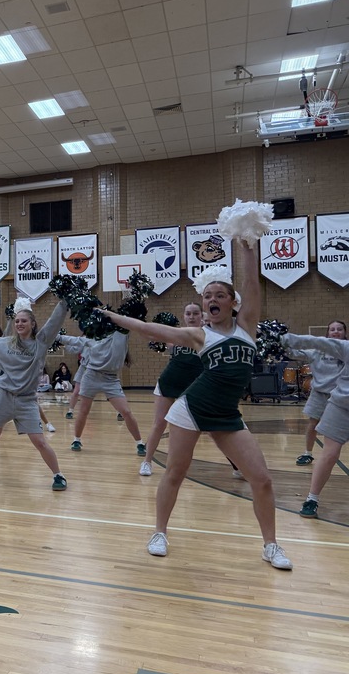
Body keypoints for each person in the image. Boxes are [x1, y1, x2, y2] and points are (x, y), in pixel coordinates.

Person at [102, 239, 292, 570]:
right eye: (208, 296)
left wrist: (247, 246)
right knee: (176, 471)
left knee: (261, 479)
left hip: (227, 414)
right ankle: (159, 532)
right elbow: (150, 329)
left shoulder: (247, 327)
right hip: (190, 410)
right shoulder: (199, 335)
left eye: (220, 295)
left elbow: (251, 282)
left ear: (233, 302)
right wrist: (112, 316)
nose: (212, 300)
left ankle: (271, 545)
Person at [0, 297, 69, 488]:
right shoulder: (5, 343)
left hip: (27, 400)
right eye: (17, 321)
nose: (19, 324)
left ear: (32, 323)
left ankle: (58, 475)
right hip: (2, 396)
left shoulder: (41, 342)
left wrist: (64, 301)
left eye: (24, 320)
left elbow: (55, 321)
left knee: (39, 440)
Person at [283, 325, 349, 518]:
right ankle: (312, 498)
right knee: (330, 454)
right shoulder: (344, 347)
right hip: (340, 405)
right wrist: (282, 339)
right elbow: (314, 342)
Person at [139, 303, 205, 476]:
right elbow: (150, 335)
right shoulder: (176, 334)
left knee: (213, 427)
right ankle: (147, 461)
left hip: (195, 386)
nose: (192, 317)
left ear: (202, 316)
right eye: (188, 313)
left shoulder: (209, 335)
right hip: (169, 382)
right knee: (159, 424)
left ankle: (237, 466)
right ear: (184, 316)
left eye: (195, 313)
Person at [64, 328, 145, 456]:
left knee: (126, 412)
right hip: (91, 376)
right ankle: (76, 440)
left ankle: (140, 442)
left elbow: (129, 323)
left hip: (110, 379)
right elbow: (73, 341)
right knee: (84, 410)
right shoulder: (93, 338)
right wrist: (55, 336)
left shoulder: (120, 336)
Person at [287, 320, 345, 466]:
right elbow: (293, 353)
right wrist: (279, 343)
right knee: (313, 424)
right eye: (332, 329)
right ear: (327, 333)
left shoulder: (346, 350)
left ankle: (329, 454)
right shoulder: (317, 351)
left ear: (345, 333)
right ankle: (308, 453)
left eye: (339, 329)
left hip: (340, 396)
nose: (336, 331)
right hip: (319, 393)